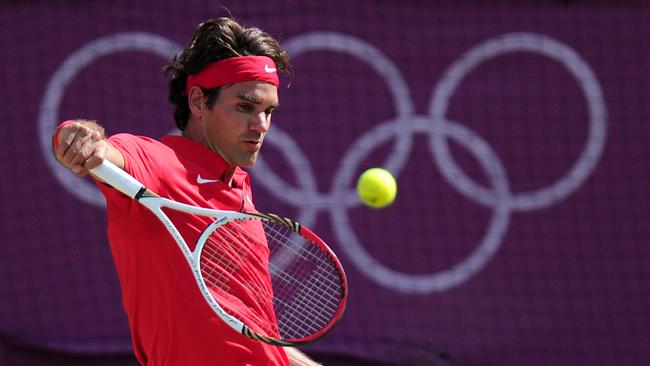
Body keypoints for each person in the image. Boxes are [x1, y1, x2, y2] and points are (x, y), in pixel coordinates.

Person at [52, 17, 322, 366]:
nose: (261, 126)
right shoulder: (160, 164)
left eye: (268, 111)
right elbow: (102, 148)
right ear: (197, 101)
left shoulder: (239, 187)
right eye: (245, 107)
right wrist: (78, 136)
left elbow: (251, 332)